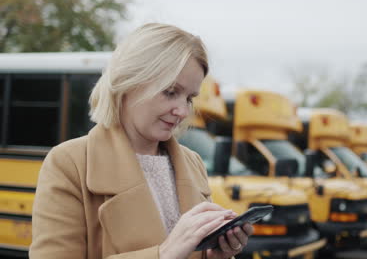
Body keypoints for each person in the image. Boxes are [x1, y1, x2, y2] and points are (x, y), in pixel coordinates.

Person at [29, 23, 253, 259]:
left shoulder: (193, 162)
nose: (182, 111)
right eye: (170, 92)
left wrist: (214, 255)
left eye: (189, 98)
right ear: (129, 81)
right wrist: (163, 254)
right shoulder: (69, 163)